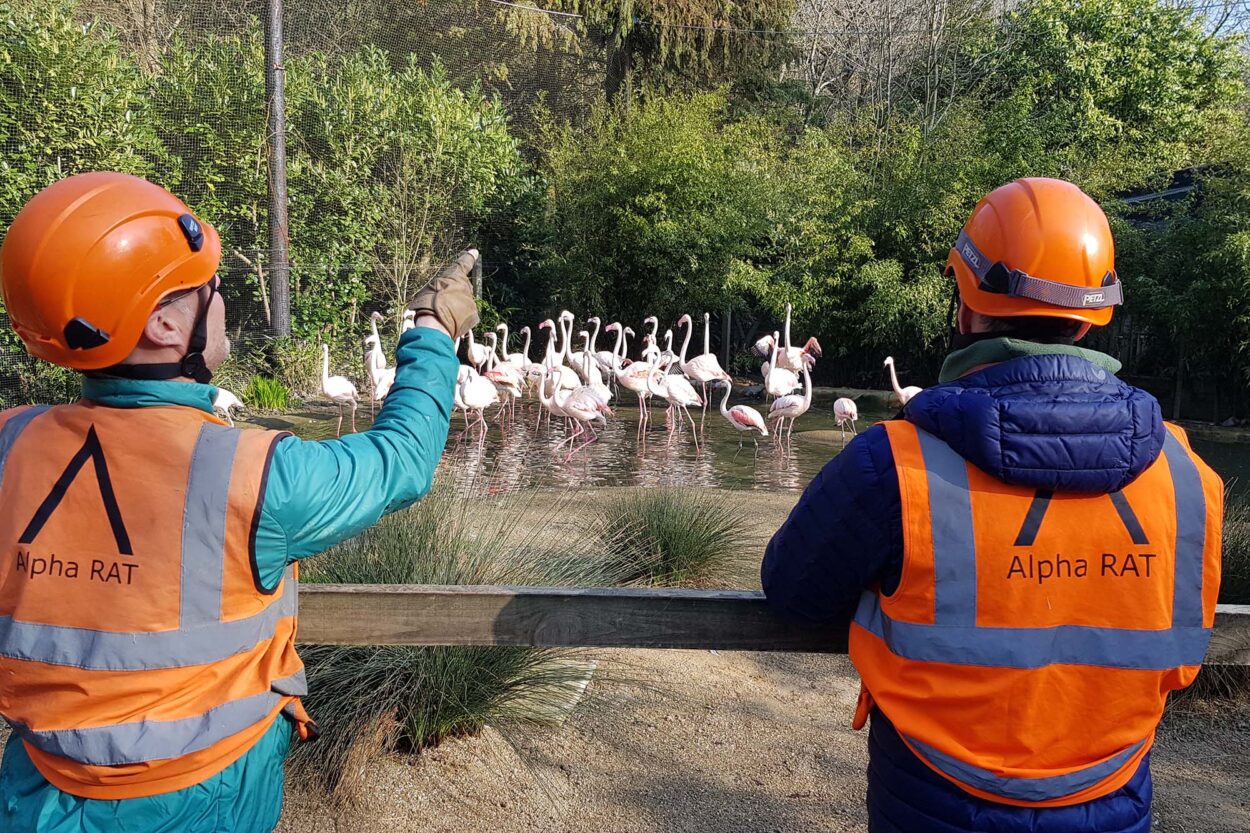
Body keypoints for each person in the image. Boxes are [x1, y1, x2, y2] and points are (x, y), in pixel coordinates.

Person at [0, 171, 480, 832]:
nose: (223, 299)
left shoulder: (10, 445)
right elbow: (401, 459)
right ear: (168, 324)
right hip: (199, 801)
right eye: (212, 288)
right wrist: (431, 331)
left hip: (35, 793)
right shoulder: (253, 474)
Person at [762, 177, 1223, 833]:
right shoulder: (1189, 477)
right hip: (1109, 799)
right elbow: (1183, 647)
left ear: (967, 307)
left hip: (936, 800)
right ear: (1098, 313)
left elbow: (792, 590)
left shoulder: (893, 465)